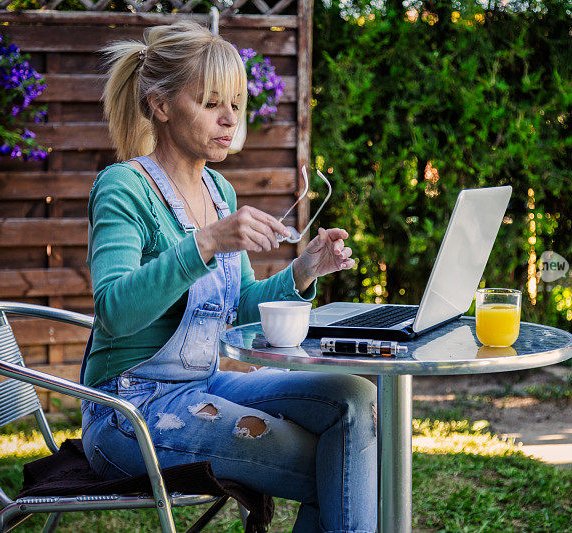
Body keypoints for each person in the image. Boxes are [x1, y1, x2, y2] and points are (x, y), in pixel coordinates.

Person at [80, 21, 377, 532]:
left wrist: (304, 269)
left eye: (236, 106)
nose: (228, 120)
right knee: (342, 467)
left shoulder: (219, 190)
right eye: (211, 102)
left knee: (355, 398)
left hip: (203, 383)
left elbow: (239, 311)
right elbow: (113, 311)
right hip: (127, 409)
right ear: (161, 104)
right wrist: (207, 241)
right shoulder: (124, 187)